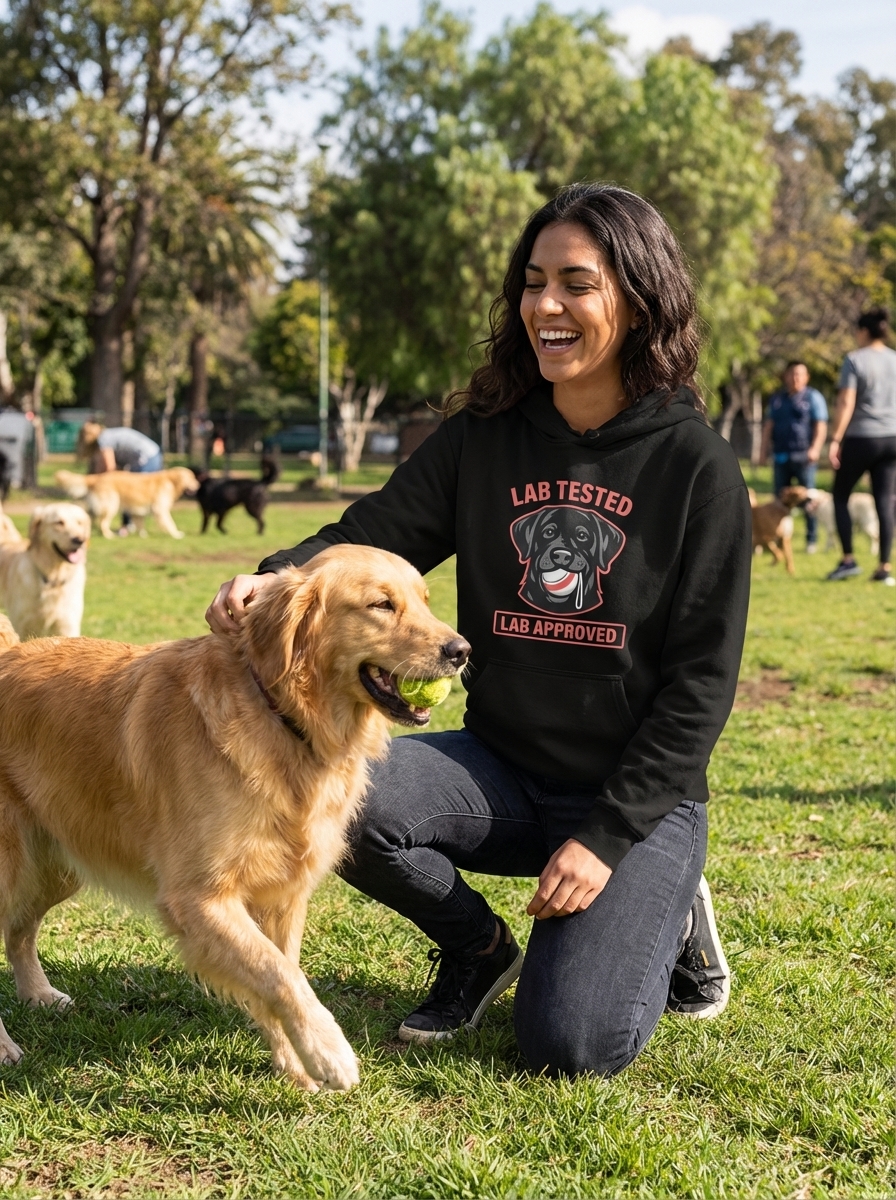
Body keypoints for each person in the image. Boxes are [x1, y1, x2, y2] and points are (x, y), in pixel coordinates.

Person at [206, 184, 752, 1078]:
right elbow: (371, 531)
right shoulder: (485, 438)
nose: (546, 306)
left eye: (577, 283)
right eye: (534, 283)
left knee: (571, 1044)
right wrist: (274, 578)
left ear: (638, 300)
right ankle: (478, 949)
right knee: (340, 802)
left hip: (632, 798)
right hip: (500, 769)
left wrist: (608, 838)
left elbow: (702, 687)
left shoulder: (697, 467)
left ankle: (670, 905)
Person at [826, 307, 896, 585]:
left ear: (864, 331)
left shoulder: (855, 359)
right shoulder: (894, 359)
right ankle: (884, 566)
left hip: (862, 437)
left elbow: (846, 401)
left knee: (840, 495)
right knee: (885, 500)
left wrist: (835, 439)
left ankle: (848, 560)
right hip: (891, 438)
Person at [759, 361, 828, 551]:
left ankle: (811, 540)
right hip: (781, 456)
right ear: (786, 376)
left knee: (808, 500)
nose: (795, 378)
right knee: (779, 501)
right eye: (792, 374)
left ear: (807, 377)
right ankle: (777, 539)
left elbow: (820, 425)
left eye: (799, 374)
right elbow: (769, 426)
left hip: (804, 457)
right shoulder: (777, 400)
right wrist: (763, 451)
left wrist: (815, 448)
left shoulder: (813, 397)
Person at [77, 421, 164, 535]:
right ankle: (132, 526)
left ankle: (128, 526)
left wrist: (98, 483)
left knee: (128, 493)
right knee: (131, 492)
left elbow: (110, 467)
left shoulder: (104, 439)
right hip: (153, 454)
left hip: (146, 458)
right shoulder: (108, 435)